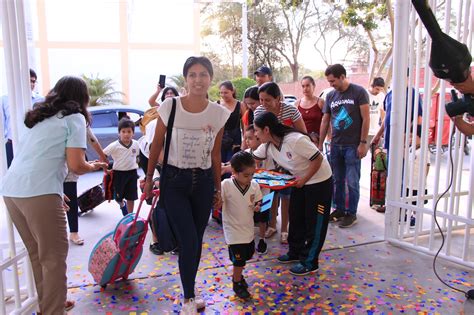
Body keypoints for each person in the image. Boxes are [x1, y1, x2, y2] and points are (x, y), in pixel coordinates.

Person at [0, 76, 107, 315]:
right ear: (82, 98)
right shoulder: (75, 118)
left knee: (39, 255)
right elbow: (77, 166)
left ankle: (49, 304)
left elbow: (39, 158)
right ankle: (53, 309)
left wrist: (55, 193)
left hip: (13, 191)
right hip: (38, 192)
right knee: (54, 258)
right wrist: (95, 166)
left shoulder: (41, 118)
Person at [144, 56, 231, 314]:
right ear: (185, 79)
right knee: (189, 241)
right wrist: (149, 179)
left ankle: (189, 295)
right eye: (192, 74)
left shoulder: (219, 114)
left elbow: (216, 155)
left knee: (196, 240)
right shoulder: (170, 106)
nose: (197, 79)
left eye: (203, 74)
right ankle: (189, 300)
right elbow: (156, 145)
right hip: (174, 183)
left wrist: (217, 189)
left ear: (210, 79)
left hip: (203, 183)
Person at [252, 112, 333, 276]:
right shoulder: (268, 145)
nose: (255, 134)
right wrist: (230, 168)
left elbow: (317, 158)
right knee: (296, 217)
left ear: (266, 129)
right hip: (298, 181)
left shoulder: (295, 140)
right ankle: (295, 252)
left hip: (319, 181)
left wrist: (304, 179)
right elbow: (251, 158)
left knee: (314, 222)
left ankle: (310, 262)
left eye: (256, 130)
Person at [254, 81, 307, 243]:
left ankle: (285, 228)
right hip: (269, 157)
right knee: (270, 192)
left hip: (288, 157)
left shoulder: (290, 109)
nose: (263, 104)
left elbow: (302, 132)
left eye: (267, 100)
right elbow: (260, 136)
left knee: (286, 195)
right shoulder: (259, 111)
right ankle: (271, 224)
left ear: (278, 98)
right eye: (261, 100)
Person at [319, 64, 370, 228]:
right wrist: (320, 144)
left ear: (342, 76)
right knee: (337, 180)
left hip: (353, 145)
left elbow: (366, 118)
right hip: (336, 145)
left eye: (333, 81)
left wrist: (363, 143)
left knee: (352, 181)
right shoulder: (331, 96)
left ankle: (351, 213)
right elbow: (325, 120)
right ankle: (339, 209)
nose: (331, 84)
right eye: (329, 81)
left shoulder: (359, 92)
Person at [371, 79, 423, 213]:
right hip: (390, 142)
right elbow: (386, 117)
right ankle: (391, 204)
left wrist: (410, 137)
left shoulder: (411, 93)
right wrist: (378, 135)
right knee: (391, 175)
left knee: (402, 176)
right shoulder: (390, 94)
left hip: (403, 144)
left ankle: (401, 207)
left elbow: (418, 117)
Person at [221, 151, 262, 299]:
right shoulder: (226, 185)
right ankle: (236, 282)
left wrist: (258, 206)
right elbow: (218, 201)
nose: (250, 178)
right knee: (238, 260)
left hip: (247, 230)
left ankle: (239, 277)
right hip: (233, 232)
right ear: (234, 172)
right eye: (246, 175)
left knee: (246, 256)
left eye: (252, 174)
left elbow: (258, 201)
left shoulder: (254, 185)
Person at [65, 127, 108, 245]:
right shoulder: (68, 118)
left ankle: (73, 232)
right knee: (63, 201)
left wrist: (102, 158)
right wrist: (98, 162)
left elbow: (92, 139)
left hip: (69, 168)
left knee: (69, 199)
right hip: (59, 167)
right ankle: (68, 232)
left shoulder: (81, 119)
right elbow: (92, 140)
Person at [1, 69, 43, 168]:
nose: (31, 84)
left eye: (33, 81)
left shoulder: (41, 100)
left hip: (34, 144)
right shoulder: (5, 99)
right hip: (12, 145)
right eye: (29, 81)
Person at [243, 124, 274, 254]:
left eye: (250, 138)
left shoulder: (268, 154)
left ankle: (261, 239)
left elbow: (272, 172)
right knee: (248, 215)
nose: (247, 141)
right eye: (245, 138)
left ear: (258, 139)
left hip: (265, 192)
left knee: (263, 217)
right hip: (249, 193)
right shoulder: (245, 155)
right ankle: (248, 239)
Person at [103, 118, 140, 216]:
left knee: (131, 197)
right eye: (123, 131)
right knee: (118, 197)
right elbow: (103, 155)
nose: (126, 134)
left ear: (133, 133)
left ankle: (129, 216)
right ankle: (122, 205)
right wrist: (105, 169)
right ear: (119, 133)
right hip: (119, 174)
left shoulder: (136, 144)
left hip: (132, 174)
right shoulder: (114, 145)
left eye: (129, 131)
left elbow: (139, 157)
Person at [139, 86, 179, 174]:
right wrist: (158, 91)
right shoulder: (160, 110)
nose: (169, 95)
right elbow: (151, 101)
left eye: (171, 93)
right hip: (149, 154)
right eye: (167, 94)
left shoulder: (180, 111)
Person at [218, 81, 246, 165]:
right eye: (221, 93)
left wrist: (245, 140)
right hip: (220, 140)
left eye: (226, 92)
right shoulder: (217, 105)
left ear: (232, 91)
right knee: (219, 164)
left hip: (235, 140)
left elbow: (245, 125)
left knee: (233, 164)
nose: (223, 95)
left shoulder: (240, 105)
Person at [297, 75, 325, 144]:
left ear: (314, 86)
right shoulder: (297, 104)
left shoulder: (321, 102)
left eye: (308, 86)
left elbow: (327, 123)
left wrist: (325, 141)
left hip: (316, 141)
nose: (305, 89)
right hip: (301, 141)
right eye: (303, 86)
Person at [367, 77, 386, 145]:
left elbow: (382, 112)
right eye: (377, 89)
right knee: (360, 154)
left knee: (380, 155)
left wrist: (383, 128)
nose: (378, 91)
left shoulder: (382, 96)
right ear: (372, 86)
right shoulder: (365, 94)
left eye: (381, 89)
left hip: (376, 131)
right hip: (365, 132)